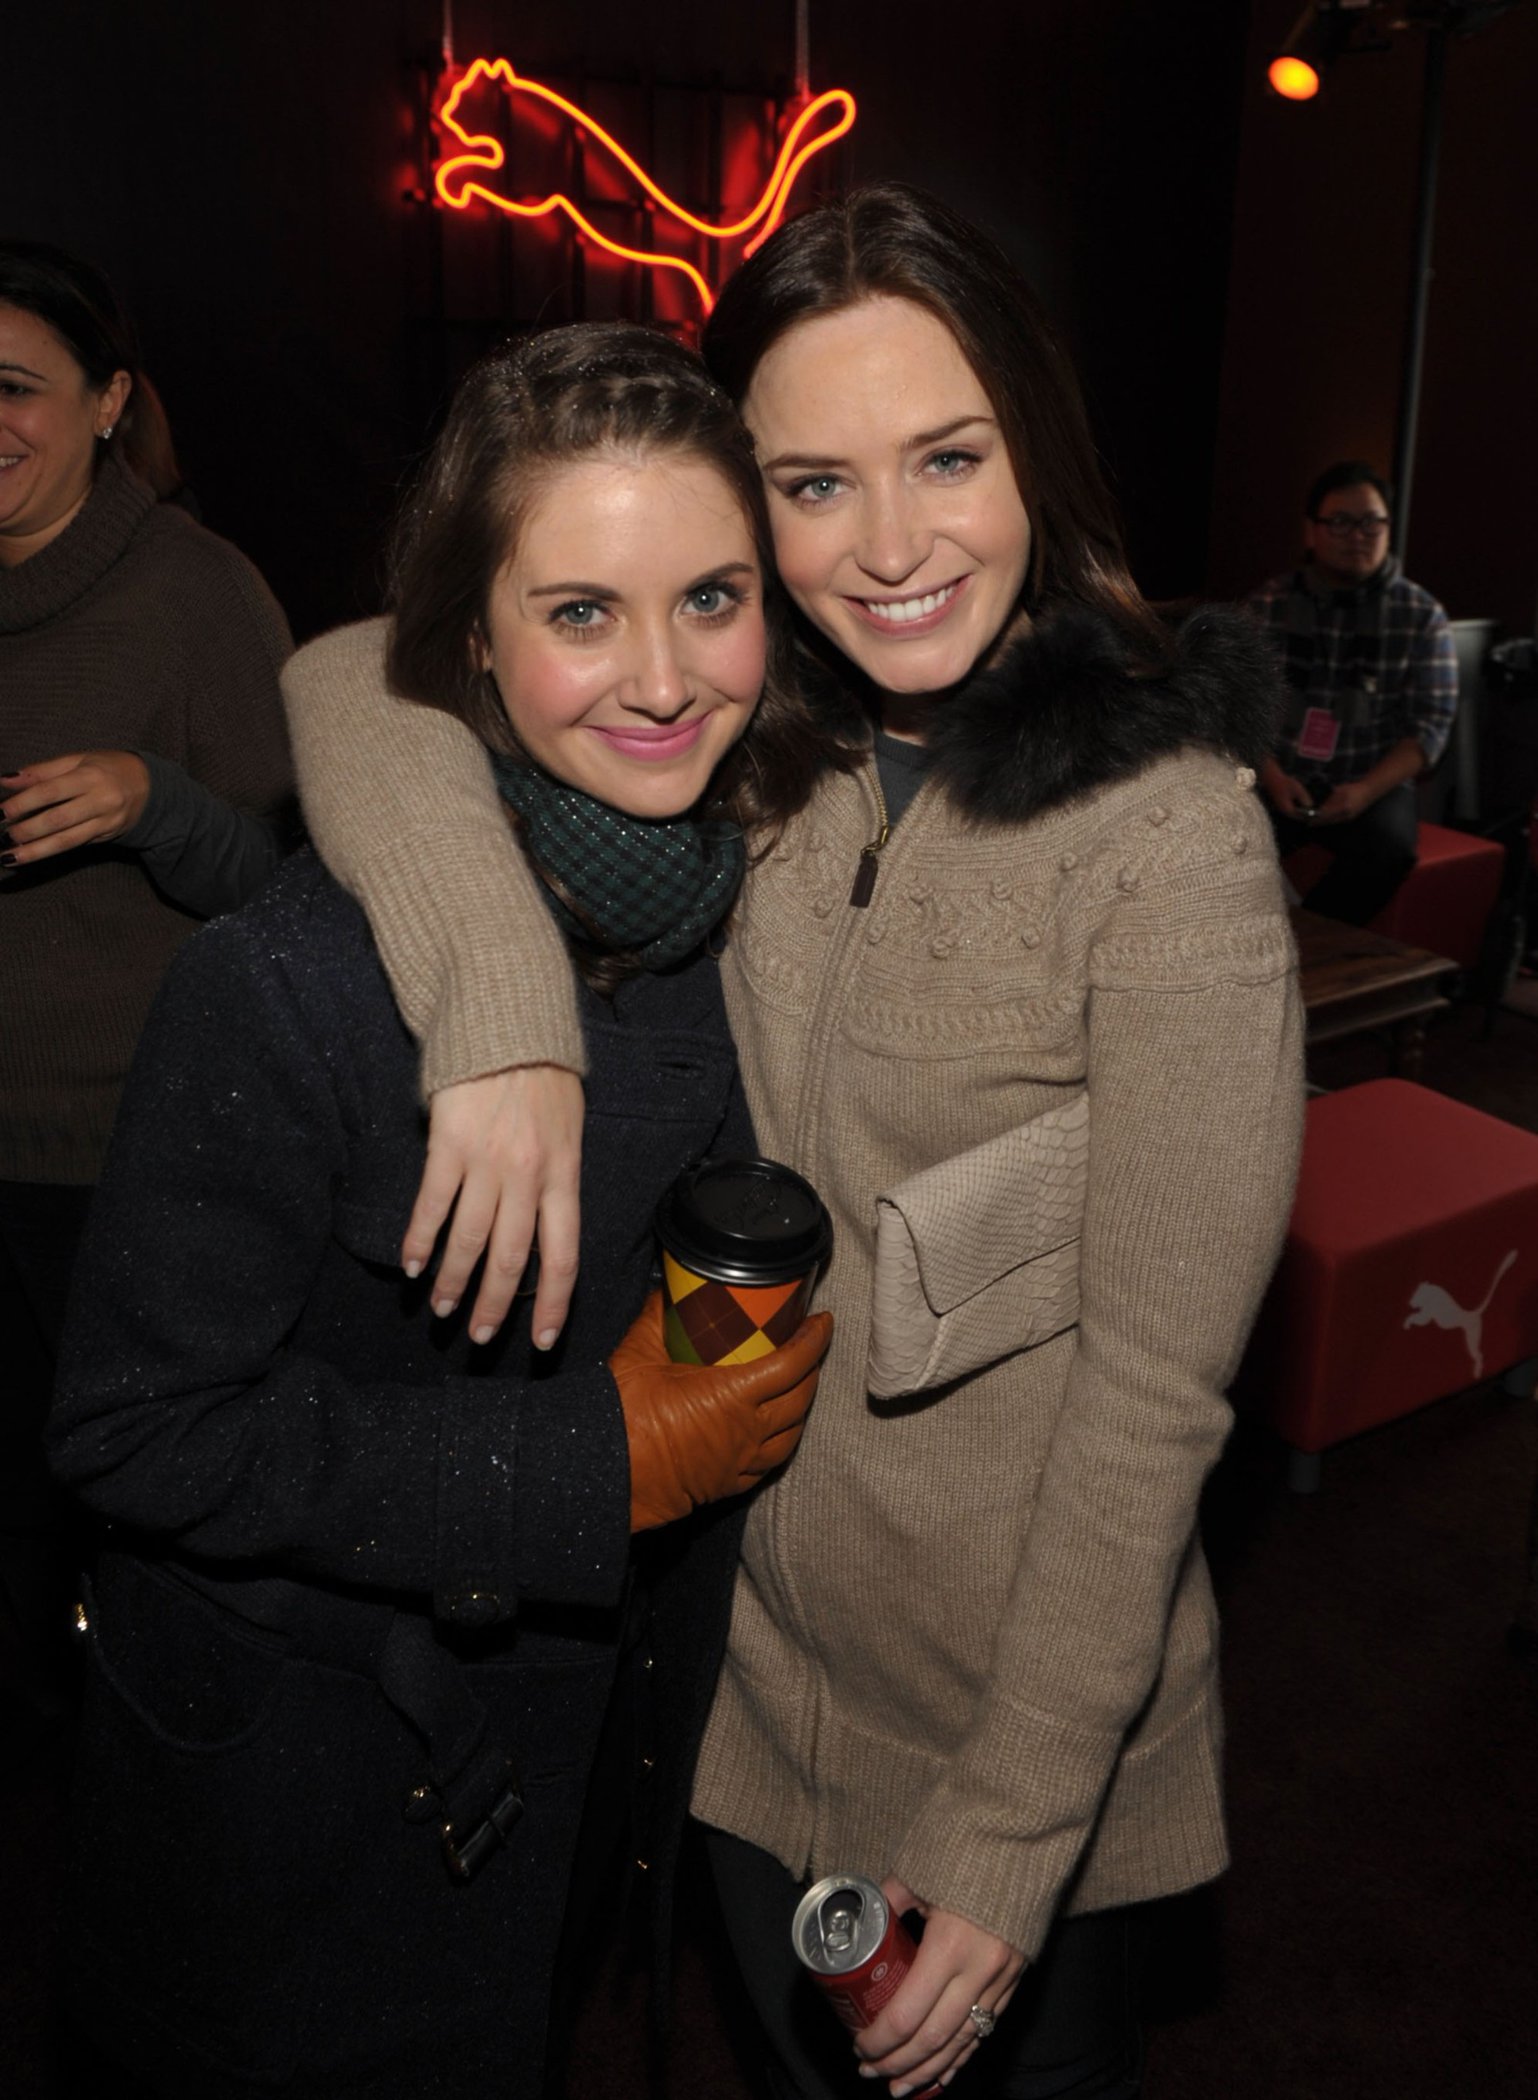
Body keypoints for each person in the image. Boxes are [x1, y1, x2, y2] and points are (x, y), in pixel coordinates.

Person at [282, 186, 1304, 2100]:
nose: (893, 545)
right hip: (736, 1700)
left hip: (1008, 1759)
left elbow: (1160, 1403)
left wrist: (1010, 1833)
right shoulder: (757, 748)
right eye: (813, 483)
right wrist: (501, 1008)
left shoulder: (1167, 838)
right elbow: (359, 674)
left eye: (946, 459)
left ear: (1038, 453)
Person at [46, 323, 832, 2098]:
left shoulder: (749, 913)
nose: (658, 678)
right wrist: (591, 1465)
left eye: (710, 598)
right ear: (469, 640)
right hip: (300, 1788)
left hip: (575, 1739)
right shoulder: (287, 982)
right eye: (577, 613)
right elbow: (130, 1430)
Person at [0, 239, 292, 1750]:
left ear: (108, 401)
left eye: (12, 385)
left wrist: (150, 802)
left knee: (141, 1565)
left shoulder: (194, 594)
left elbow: (298, 905)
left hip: (120, 1170)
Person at [1247, 459, 1459, 926]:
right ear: (1311, 531)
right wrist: (1274, 777)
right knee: (1222, 837)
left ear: (1388, 529)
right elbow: (1237, 707)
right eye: (1340, 522)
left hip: (1371, 779)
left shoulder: (1421, 615)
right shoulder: (1270, 604)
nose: (1357, 535)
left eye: (1371, 522)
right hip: (1280, 772)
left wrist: (1363, 792)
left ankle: (1310, 950)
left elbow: (1430, 727)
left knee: (1388, 850)